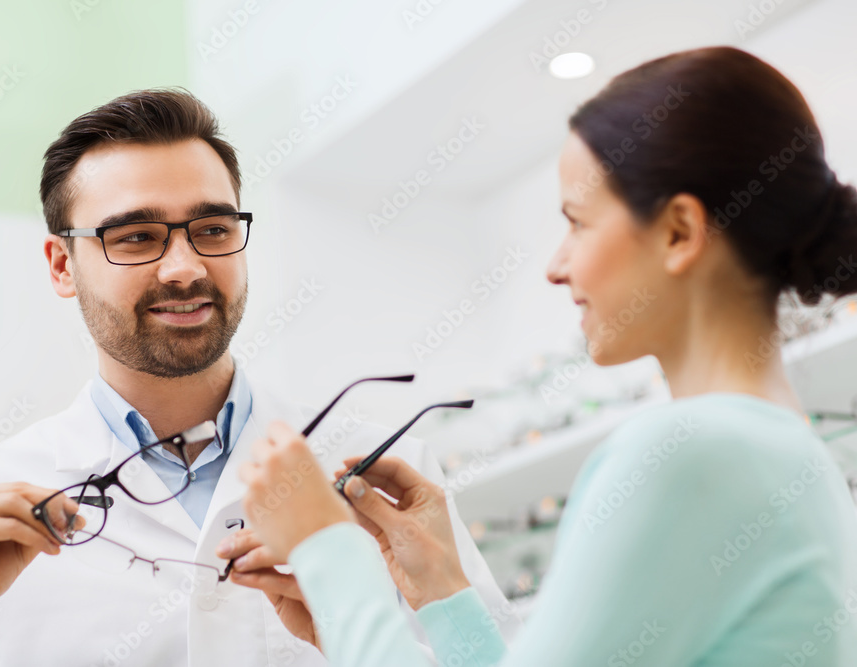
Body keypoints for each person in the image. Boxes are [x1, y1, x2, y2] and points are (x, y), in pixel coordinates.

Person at [232, 46, 857, 666]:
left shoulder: (690, 453)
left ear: (679, 233)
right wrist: (442, 595)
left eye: (578, 223)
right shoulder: (780, 449)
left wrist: (327, 550)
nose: (557, 267)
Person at [0, 89, 515, 667]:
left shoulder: (387, 476)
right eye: (137, 237)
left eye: (211, 228)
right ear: (62, 265)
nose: (184, 266)